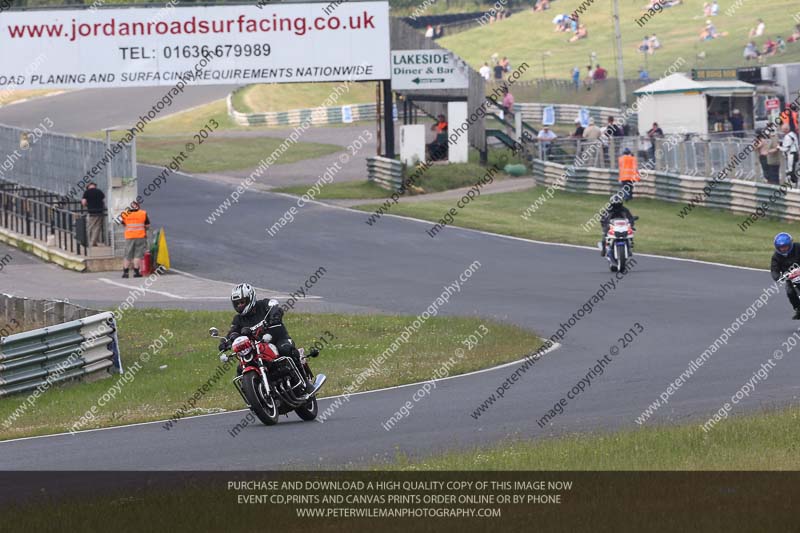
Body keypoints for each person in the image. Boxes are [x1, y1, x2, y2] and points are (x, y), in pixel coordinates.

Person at [220, 284, 319, 391]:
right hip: (257, 347)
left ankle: (305, 383)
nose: (240, 305)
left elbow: (275, 307)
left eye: (242, 302)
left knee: (285, 349)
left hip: (277, 338)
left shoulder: (263, 305)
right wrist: (226, 342)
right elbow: (233, 331)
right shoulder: (238, 319)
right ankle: (253, 394)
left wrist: (274, 316)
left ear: (250, 298)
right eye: (237, 303)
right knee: (240, 369)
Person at [770, 233, 800, 319]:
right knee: (790, 292)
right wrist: (779, 278)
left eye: (785, 246)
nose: (783, 249)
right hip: (790, 277)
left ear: (790, 244)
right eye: (781, 247)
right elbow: (774, 270)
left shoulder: (798, 247)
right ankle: (798, 308)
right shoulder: (776, 257)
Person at [81, 182, 106, 248]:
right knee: (97, 227)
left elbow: (83, 202)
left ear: (88, 186)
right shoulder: (99, 191)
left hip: (91, 211)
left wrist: (87, 205)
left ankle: (86, 240)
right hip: (100, 211)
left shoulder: (87, 192)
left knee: (89, 226)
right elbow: (103, 200)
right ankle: (93, 242)